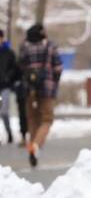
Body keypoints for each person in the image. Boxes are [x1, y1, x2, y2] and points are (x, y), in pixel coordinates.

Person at [18, 24, 63, 166]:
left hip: (29, 89)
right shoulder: (50, 46)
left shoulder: (24, 46)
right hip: (46, 89)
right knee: (47, 119)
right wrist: (53, 82)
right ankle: (36, 145)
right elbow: (58, 68)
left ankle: (33, 148)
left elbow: (20, 67)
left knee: (32, 119)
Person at [0, 29, 19, 144]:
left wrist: (8, 77)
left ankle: (9, 132)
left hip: (5, 86)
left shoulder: (8, 52)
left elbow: (14, 68)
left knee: (4, 111)